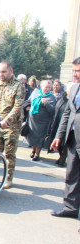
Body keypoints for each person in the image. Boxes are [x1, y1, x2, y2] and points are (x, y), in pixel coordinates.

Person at [0, 61, 25, 189]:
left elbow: (17, 107)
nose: (1, 74)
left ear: (11, 71)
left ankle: (8, 178)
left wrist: (6, 121)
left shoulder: (18, 85)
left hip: (11, 126)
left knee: (9, 153)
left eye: (3, 72)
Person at [50, 57, 80, 219]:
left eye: (78, 71)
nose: (74, 74)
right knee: (72, 174)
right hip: (73, 139)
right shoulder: (74, 88)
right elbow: (68, 114)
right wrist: (59, 136)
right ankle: (70, 208)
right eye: (74, 70)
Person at [25, 80, 56, 161]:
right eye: (46, 87)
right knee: (32, 136)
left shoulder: (52, 97)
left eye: (49, 87)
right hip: (32, 121)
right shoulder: (35, 93)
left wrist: (46, 104)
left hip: (42, 122)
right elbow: (28, 101)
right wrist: (28, 106)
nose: (47, 89)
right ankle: (33, 150)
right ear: (41, 86)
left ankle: (37, 154)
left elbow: (53, 111)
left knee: (39, 138)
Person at [48, 83, 72, 166]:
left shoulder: (72, 100)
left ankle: (63, 158)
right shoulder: (62, 98)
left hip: (68, 125)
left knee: (65, 143)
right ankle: (61, 156)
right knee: (58, 142)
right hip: (58, 123)